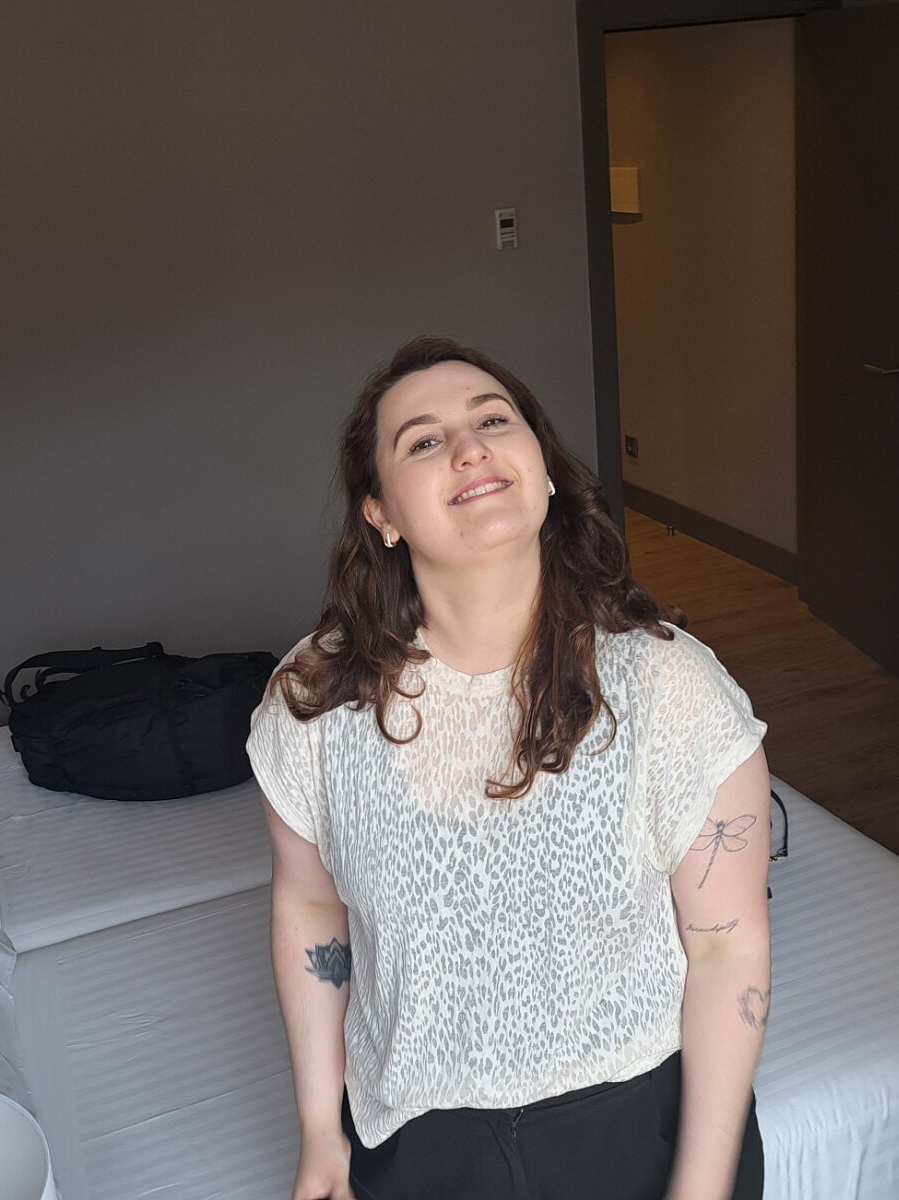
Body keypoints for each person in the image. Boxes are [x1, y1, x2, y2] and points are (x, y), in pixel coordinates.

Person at [248, 337, 773, 1200]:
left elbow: (727, 946)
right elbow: (308, 907)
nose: (469, 447)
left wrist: (702, 1191)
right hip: (414, 1141)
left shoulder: (668, 684)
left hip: (639, 1122)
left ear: (545, 469)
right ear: (380, 513)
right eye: (423, 440)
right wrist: (318, 1131)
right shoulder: (312, 703)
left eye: (493, 420)